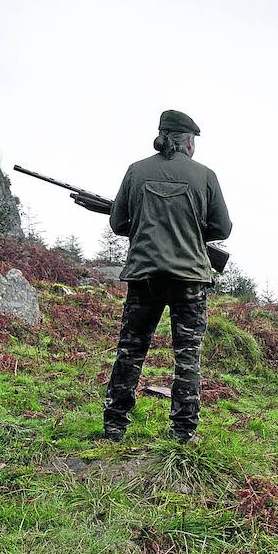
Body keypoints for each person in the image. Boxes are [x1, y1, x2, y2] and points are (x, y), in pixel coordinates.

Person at [102, 109, 232, 443]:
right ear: (188, 141)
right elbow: (223, 228)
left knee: (130, 350)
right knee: (187, 356)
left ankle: (115, 426)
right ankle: (183, 432)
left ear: (162, 136)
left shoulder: (136, 171)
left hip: (144, 276)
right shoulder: (205, 176)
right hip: (190, 279)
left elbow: (118, 224)